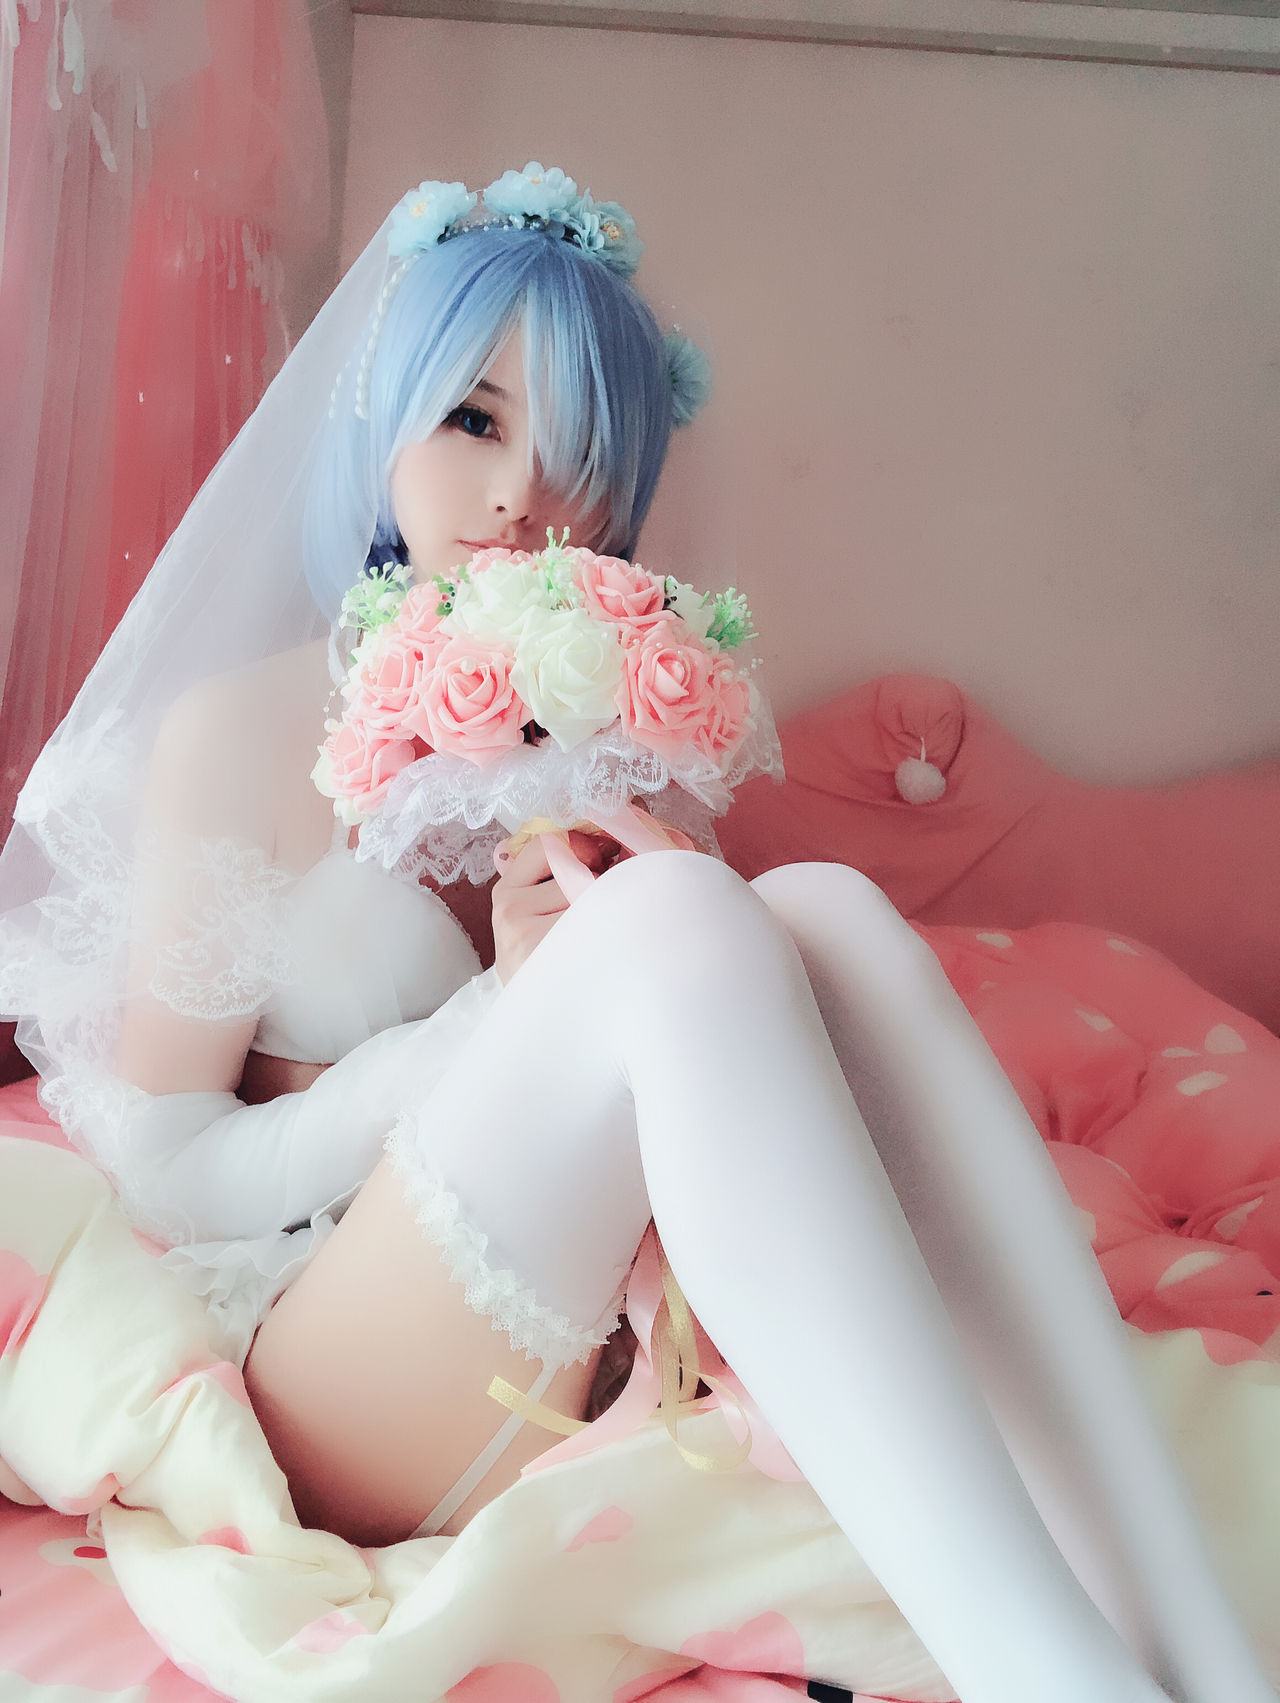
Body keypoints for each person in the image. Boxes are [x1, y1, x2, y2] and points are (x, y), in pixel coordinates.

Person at [0, 162, 1271, 1703]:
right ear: (379, 417)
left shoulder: (607, 719)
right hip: (322, 1362)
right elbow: (164, 1168)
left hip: (584, 1335)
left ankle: (1191, 1648)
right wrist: (487, 1016)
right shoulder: (242, 735)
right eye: (475, 419)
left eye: (581, 452)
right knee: (684, 922)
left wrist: (650, 896)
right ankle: (1053, 1677)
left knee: (821, 911)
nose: (522, 494)